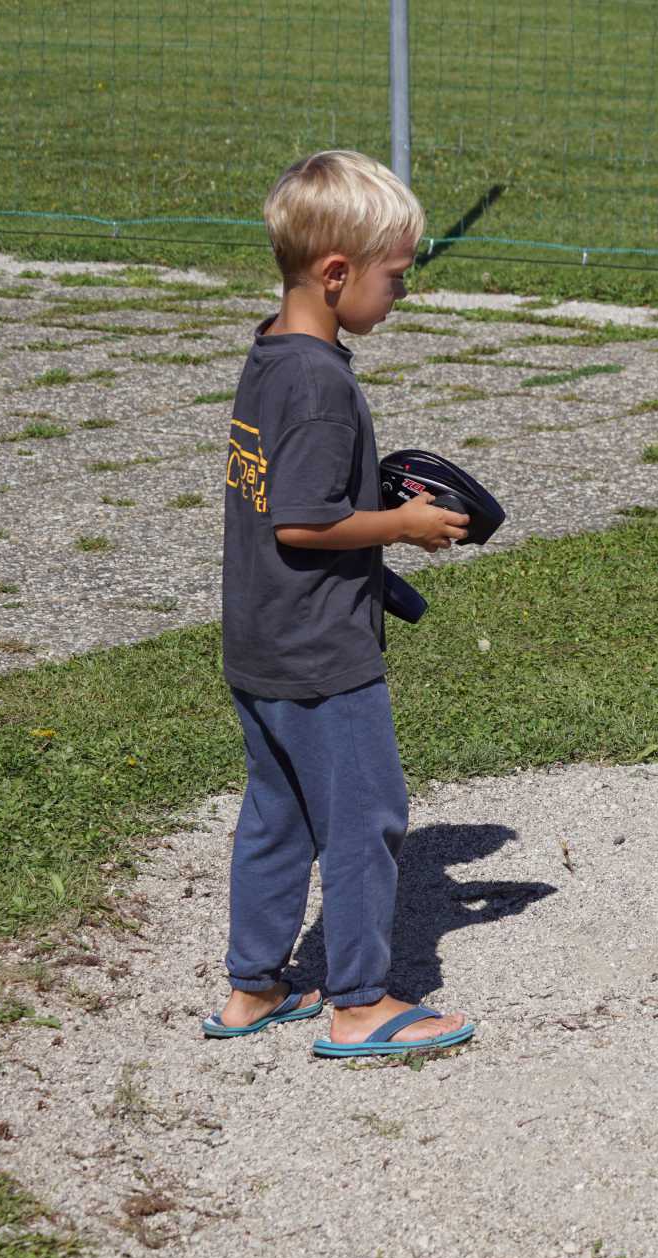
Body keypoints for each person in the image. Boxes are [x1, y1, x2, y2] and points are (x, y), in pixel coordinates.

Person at [203, 150, 474, 1058]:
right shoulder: (322, 388)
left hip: (261, 642)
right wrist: (404, 525)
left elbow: (287, 495)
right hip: (324, 655)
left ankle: (253, 989)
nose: (401, 293)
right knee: (365, 819)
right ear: (336, 272)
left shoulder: (274, 356)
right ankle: (361, 1003)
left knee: (278, 815)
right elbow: (305, 525)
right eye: (395, 277)